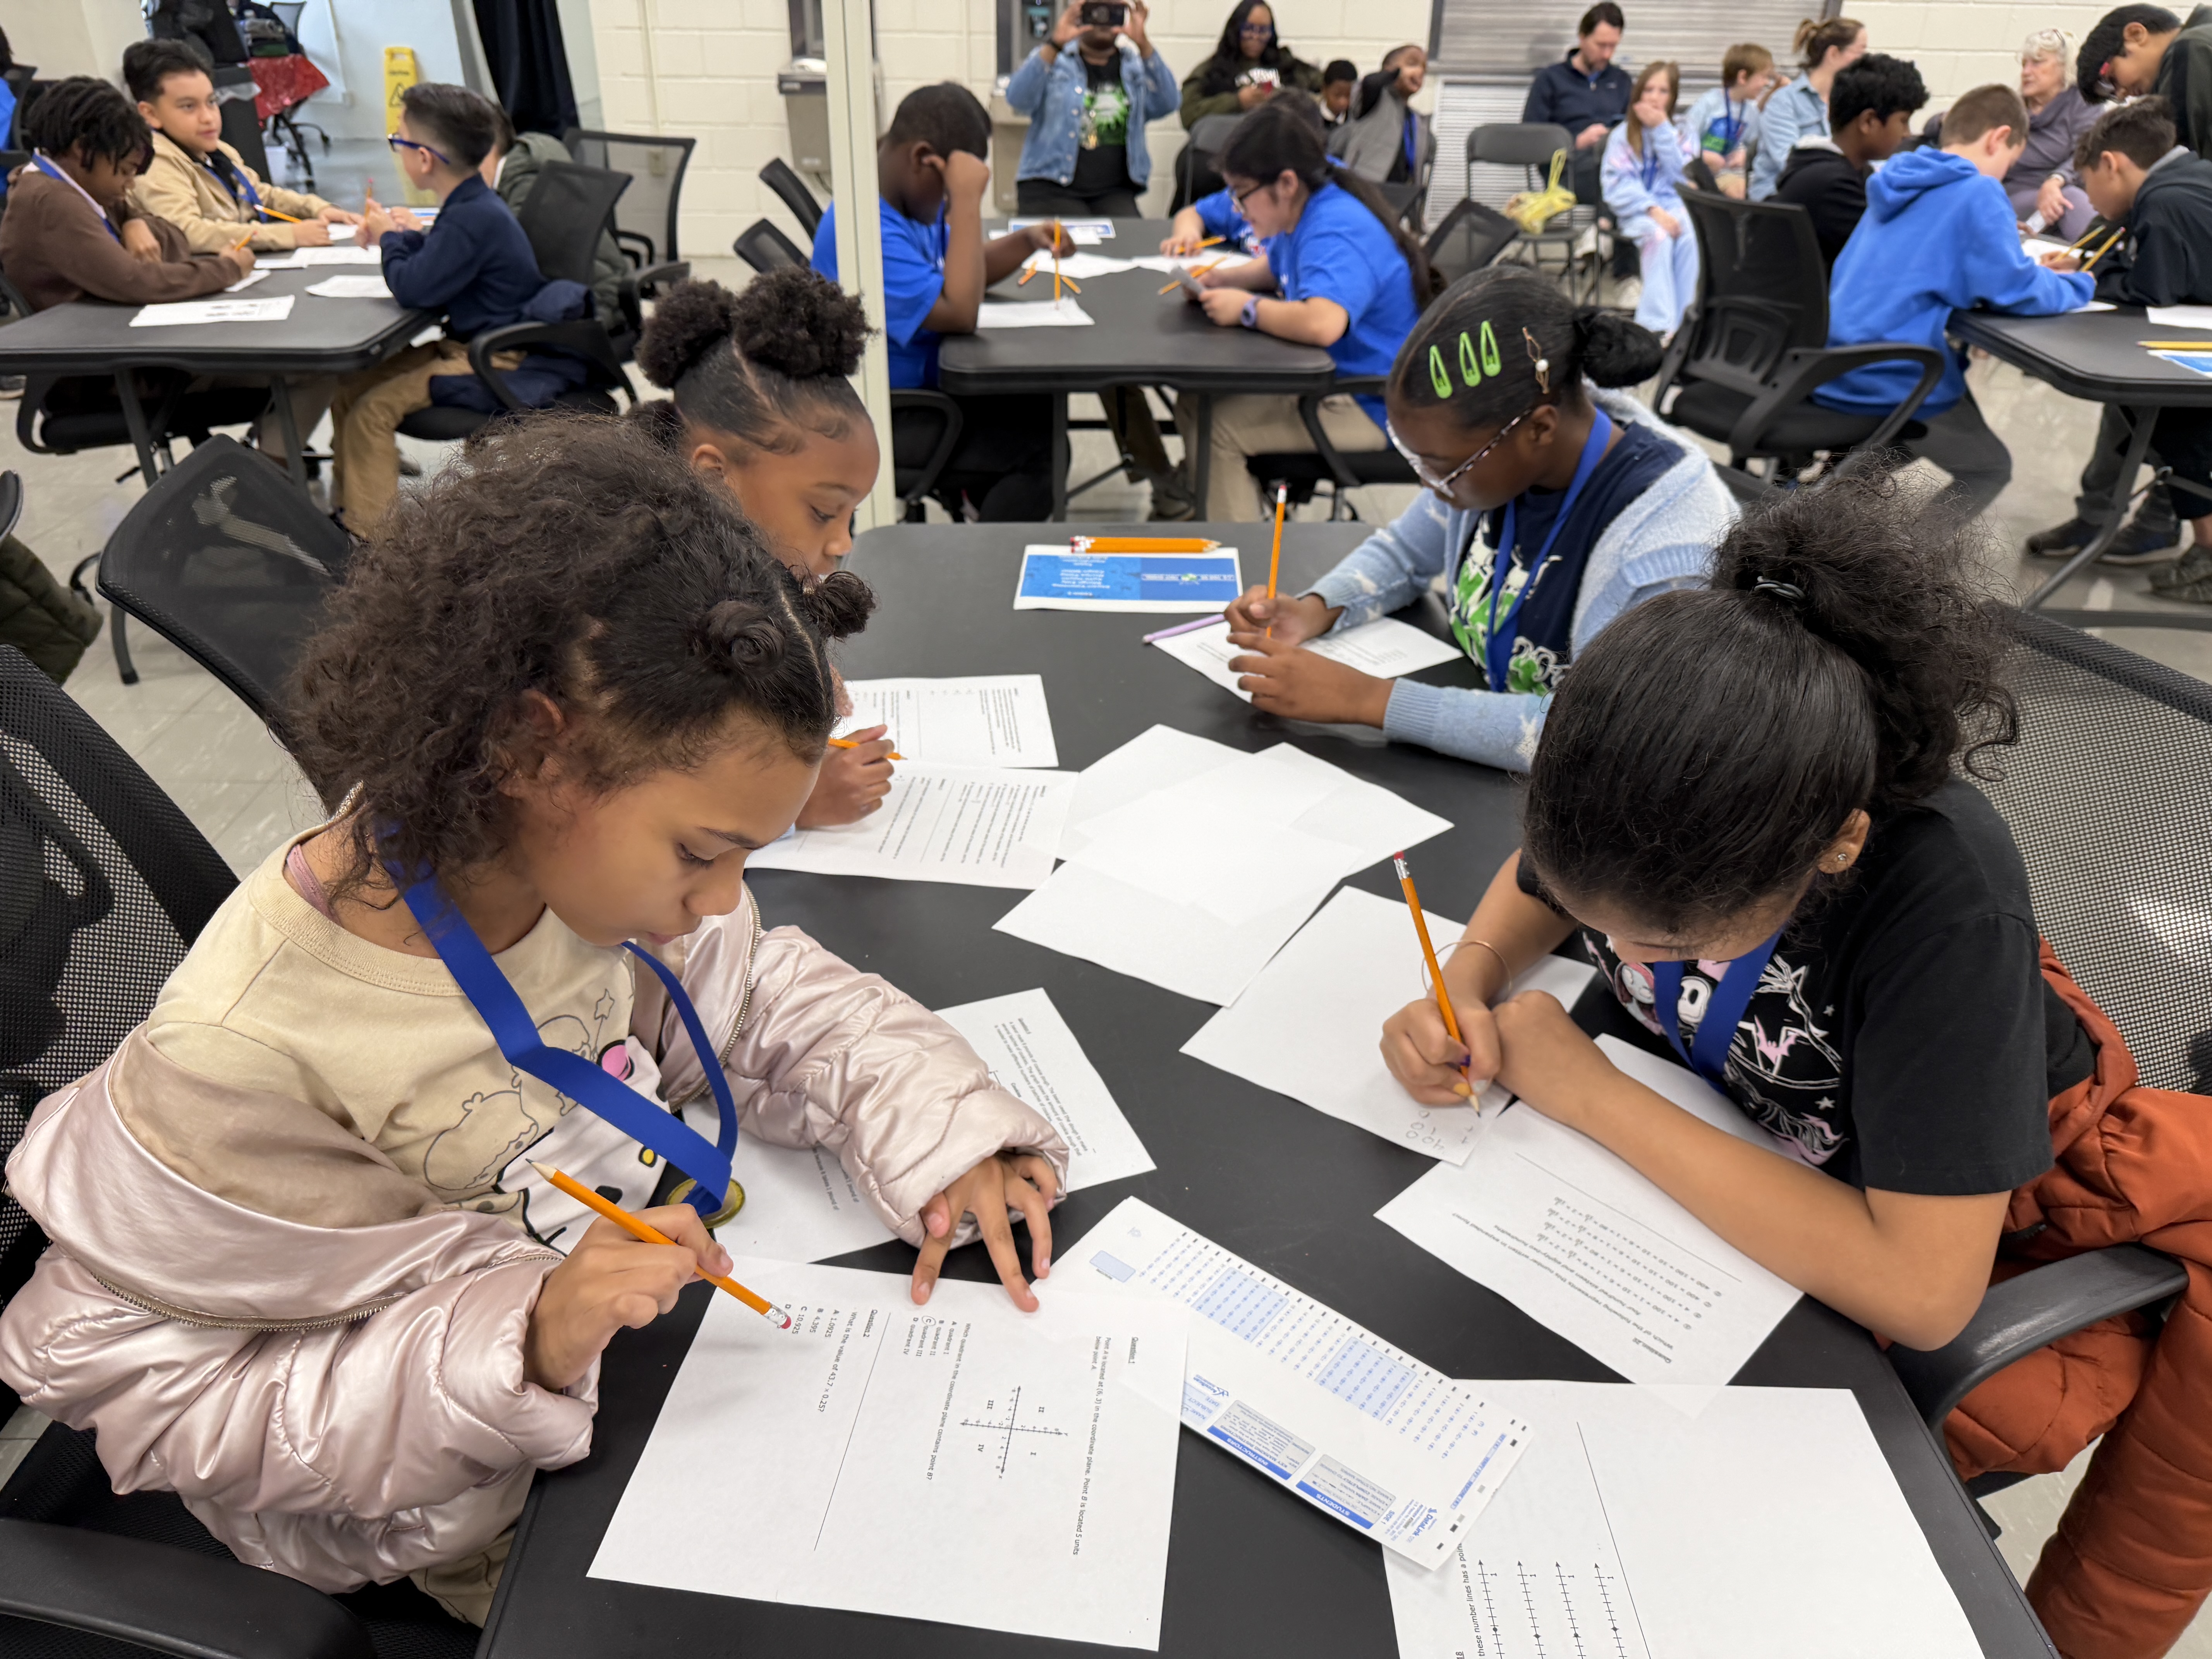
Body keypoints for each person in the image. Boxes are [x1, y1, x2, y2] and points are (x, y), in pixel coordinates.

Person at [0, 416, 1069, 1625]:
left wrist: (944, 1128)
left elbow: (751, 989)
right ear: (529, 747)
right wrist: (526, 1340)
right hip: (493, 1508)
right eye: (702, 852)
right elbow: (168, 1399)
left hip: (661, 1361)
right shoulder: (239, 1059)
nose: (724, 900)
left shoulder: (544, 856)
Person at [1374, 463, 2080, 1398]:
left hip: (1854, 1212)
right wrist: (1466, 979)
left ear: (1834, 847)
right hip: (1701, 1128)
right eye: (1599, 926)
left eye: (1670, 945)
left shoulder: (1945, 907)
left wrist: (1590, 1094)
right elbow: (1549, 884)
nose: (1623, 956)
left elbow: (1924, 1294)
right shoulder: (1646, 785)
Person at [1220, 265, 1733, 767]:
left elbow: (1598, 736)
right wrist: (1318, 608)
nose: (1429, 483)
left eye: (1443, 466)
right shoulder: (1506, 459)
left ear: (1539, 430)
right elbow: (1403, 553)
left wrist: (1368, 700)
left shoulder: (1664, 556)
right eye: (1417, 460)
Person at [634, 270, 898, 821]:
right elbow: (640, 794)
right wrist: (797, 805)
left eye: (850, 515)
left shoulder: (732, 575)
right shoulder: (638, 610)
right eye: (823, 512)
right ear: (715, 478)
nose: (842, 542)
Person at [1814, 83, 2092, 526]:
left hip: (1836, 359)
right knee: (1988, 469)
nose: (2005, 176)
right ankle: (1903, 564)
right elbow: (2015, 289)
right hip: (1897, 373)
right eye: (2011, 163)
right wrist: (2079, 284)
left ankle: (1814, 518)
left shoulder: (1897, 179)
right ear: (1999, 138)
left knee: (1902, 444)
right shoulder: (1978, 191)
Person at [811, 82, 1072, 522]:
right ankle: (986, 562)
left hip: (923, 391)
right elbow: (959, 311)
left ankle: (977, 506)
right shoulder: (865, 229)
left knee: (1041, 408)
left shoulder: (903, 205)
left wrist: (1027, 240)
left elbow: (963, 269)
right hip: (887, 415)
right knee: (1041, 456)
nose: (949, 200)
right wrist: (967, 201)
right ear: (922, 159)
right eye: (947, 189)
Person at [1173, 98, 1433, 521]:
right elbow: (1279, 267)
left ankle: (1243, 555)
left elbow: (1322, 323)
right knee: (1195, 401)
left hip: (1371, 402)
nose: (1238, 209)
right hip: (1334, 377)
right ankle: (1215, 505)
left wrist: (1247, 310)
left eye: (1242, 196)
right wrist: (1223, 280)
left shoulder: (1335, 228)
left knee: (1216, 429)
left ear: (1287, 183)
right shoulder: (1305, 208)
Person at [325, 83, 552, 529]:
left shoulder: (471, 217)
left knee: (371, 412)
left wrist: (389, 239)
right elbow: (440, 262)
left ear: (425, 159)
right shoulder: (472, 204)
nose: (398, 149)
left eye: (400, 140)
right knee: (351, 388)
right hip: (472, 344)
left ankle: (375, 543)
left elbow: (413, 288)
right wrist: (404, 236)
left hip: (494, 357)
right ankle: (347, 509)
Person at [2041, 97, 2212, 598]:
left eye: (2087, 182)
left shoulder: (2164, 201)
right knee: (2143, 409)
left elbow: (2151, 289)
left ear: (2111, 164)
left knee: (2172, 417)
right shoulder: (2188, 176)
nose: (2089, 199)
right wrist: (2089, 264)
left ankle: (2209, 554)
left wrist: (2088, 278)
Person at [0, 76, 254, 312]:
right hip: (78, 332)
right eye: (124, 172)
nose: (130, 186)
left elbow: (177, 240)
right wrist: (229, 268)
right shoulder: (52, 200)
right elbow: (137, 282)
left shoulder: (84, 185)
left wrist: (136, 222)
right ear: (82, 150)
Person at [125, 39, 358, 254]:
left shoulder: (217, 151)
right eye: (188, 107)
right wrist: (289, 235)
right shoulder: (154, 162)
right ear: (150, 114)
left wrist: (317, 208)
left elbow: (259, 194)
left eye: (211, 102)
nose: (208, 117)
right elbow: (187, 232)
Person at [1005, 0, 1176, 219]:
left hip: (1114, 192)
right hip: (1049, 186)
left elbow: (1168, 103)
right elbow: (1018, 101)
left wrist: (1144, 45)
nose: (1103, 20)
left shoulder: (1133, 65)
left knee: (1128, 238)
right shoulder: (1056, 60)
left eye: (1113, 11)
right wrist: (1055, 44)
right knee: (1070, 238)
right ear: (1080, 13)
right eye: (1096, 10)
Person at [1774, 53, 1927, 271]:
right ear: (1868, 122)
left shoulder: (1831, 168)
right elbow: (1894, 255)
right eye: (1903, 121)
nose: (1907, 134)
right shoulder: (1832, 184)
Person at [482, 104, 625, 331]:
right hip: (582, 294)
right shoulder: (520, 169)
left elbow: (504, 257)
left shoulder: (526, 181)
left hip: (589, 305)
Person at [1601, 61, 1696, 335]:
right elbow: (1617, 185)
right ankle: (1657, 325)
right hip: (1638, 212)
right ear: (1638, 94)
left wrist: (1662, 130)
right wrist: (1652, 209)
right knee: (1659, 237)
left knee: (1691, 234)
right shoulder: (1622, 136)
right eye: (1649, 90)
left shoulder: (1684, 131)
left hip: (1676, 206)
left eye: (1663, 91)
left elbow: (1684, 177)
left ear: (1673, 97)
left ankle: (1686, 322)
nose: (1655, 98)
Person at [1522, 3, 1632, 206]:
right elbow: (1530, 140)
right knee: (1621, 180)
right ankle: (1607, 224)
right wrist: (1575, 143)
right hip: (1567, 170)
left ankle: (1606, 225)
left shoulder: (1621, 81)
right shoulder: (1551, 80)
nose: (1607, 54)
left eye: (1613, 46)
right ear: (1582, 37)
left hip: (1613, 164)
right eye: (1601, 45)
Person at [1749, 15, 1867, 201]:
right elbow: (1788, 164)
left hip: (1830, 193)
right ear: (1834, 54)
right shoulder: (1784, 102)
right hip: (1780, 200)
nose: (1866, 62)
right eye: (1861, 53)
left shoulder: (1851, 103)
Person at [2077, 3, 2212, 154]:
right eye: (2113, 95)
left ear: (2136, 34)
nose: (2122, 96)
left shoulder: (2188, 51)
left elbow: (2181, 163)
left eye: (2112, 80)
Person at [1179, 1, 1326, 129]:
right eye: (1249, 29)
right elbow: (1188, 113)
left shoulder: (1287, 65)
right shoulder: (1213, 69)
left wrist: (1282, 99)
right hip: (1232, 141)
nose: (1256, 37)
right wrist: (1238, 101)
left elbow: (1328, 89)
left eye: (1263, 31)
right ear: (1236, 30)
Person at [1329, 45, 1434, 190]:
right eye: (1412, 64)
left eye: (1424, 68)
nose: (1420, 71)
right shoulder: (1375, 97)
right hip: (1365, 190)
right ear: (1388, 69)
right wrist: (1395, 74)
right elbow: (1371, 83)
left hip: (1399, 196)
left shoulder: (1415, 120)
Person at [1678, 43, 1773, 198]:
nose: (1767, 83)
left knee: (1740, 192)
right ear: (1743, 77)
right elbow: (1683, 139)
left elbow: (1754, 144)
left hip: (1724, 171)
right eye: (1763, 77)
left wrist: (1743, 154)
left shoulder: (1751, 111)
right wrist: (1704, 156)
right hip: (1695, 169)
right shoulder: (1710, 103)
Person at [1321, 58, 1358, 128]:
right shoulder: (1310, 119)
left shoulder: (1356, 120)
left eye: (1349, 96)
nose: (1343, 103)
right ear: (1324, 90)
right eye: (1338, 96)